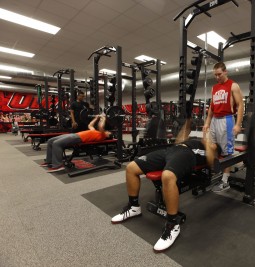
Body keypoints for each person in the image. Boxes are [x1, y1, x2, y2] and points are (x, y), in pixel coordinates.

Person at [111, 119, 221, 252]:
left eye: (214, 144)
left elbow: (210, 160)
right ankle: (134, 207)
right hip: (171, 150)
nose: (211, 142)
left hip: (187, 155)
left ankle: (173, 224)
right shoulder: (194, 141)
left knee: (167, 176)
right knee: (131, 168)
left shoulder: (208, 150)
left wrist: (208, 140)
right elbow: (179, 142)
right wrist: (186, 127)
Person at [202, 62, 244, 192]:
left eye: (219, 74)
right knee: (212, 146)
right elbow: (212, 108)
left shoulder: (233, 85)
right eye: (215, 75)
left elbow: (241, 105)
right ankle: (217, 170)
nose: (217, 77)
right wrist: (207, 122)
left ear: (225, 72)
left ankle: (225, 181)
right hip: (215, 120)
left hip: (227, 120)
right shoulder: (214, 88)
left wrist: (238, 124)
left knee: (227, 153)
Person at [40, 115, 112, 172]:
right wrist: (96, 118)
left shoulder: (102, 136)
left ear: (108, 136)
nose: (108, 131)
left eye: (109, 132)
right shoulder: (97, 132)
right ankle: (49, 161)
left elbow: (101, 126)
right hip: (75, 134)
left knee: (56, 143)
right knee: (50, 141)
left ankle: (58, 165)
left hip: (78, 138)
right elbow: (90, 125)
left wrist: (103, 118)